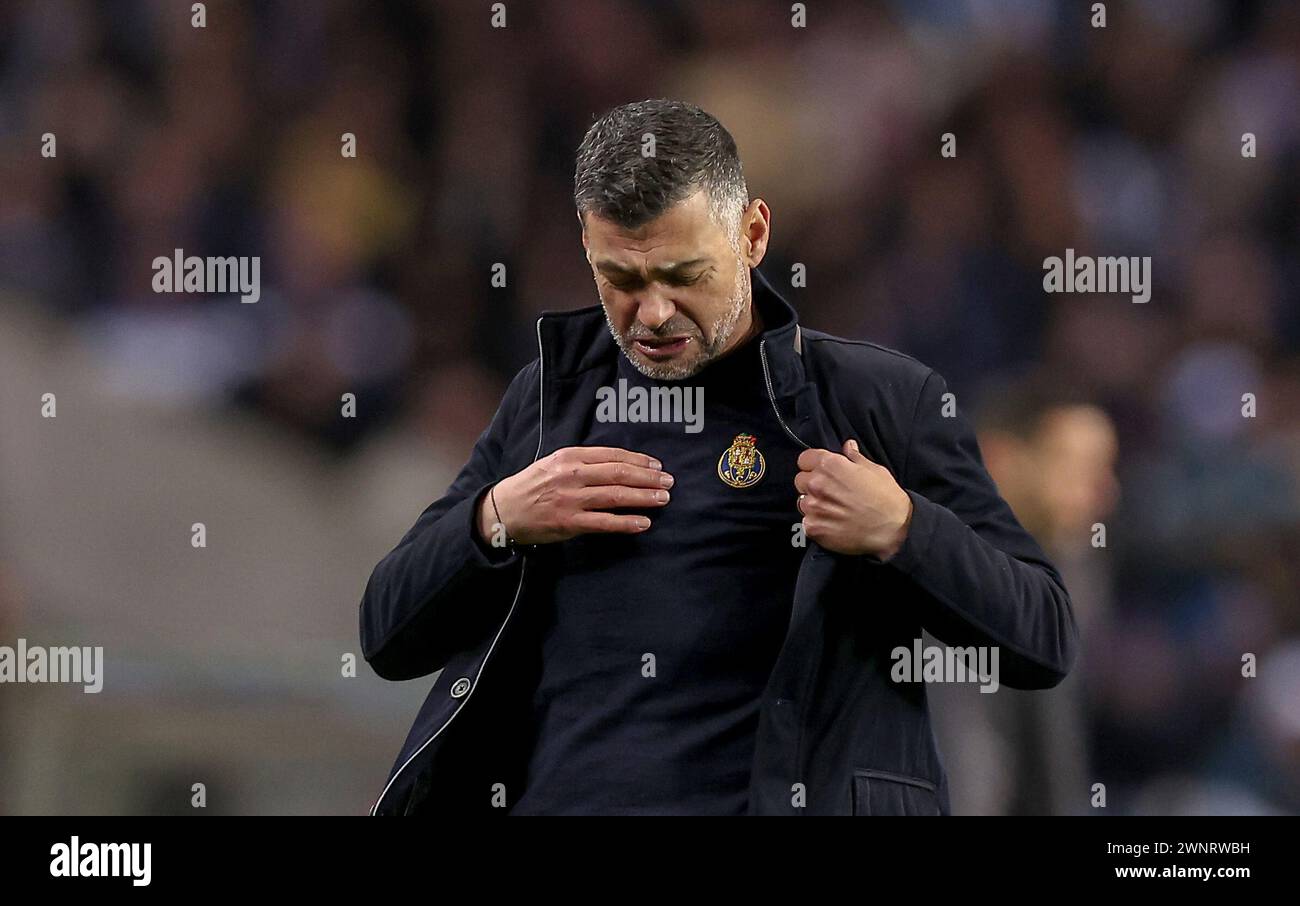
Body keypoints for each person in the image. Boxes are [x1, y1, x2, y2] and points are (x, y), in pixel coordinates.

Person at [359, 99, 1078, 815]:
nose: (654, 313)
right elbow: (387, 634)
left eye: (684, 274)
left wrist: (904, 529)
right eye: (623, 279)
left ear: (753, 233)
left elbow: (1040, 637)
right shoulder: (551, 399)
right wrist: (495, 517)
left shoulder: (877, 401)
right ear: (587, 245)